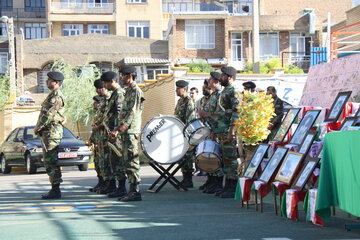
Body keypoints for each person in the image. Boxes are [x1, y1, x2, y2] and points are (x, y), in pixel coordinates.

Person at [34, 71, 65, 199]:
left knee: (51, 161)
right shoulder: (52, 95)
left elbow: (48, 114)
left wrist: (38, 127)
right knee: (49, 161)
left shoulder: (56, 96)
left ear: (56, 82)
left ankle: (56, 189)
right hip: (48, 132)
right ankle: (54, 188)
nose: (47, 81)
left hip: (52, 132)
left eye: (49, 80)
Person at [115, 65, 145, 202]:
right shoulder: (128, 91)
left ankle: (135, 191)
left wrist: (119, 129)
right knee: (126, 161)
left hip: (130, 131)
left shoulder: (135, 91)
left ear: (129, 76)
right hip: (126, 131)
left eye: (122, 75)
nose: (120, 78)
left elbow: (132, 113)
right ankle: (131, 190)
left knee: (132, 161)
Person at [214, 66, 242, 198]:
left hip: (228, 130)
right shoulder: (226, 90)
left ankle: (233, 186)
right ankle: (227, 185)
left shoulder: (234, 90)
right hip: (222, 130)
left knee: (231, 159)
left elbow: (237, 112)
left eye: (224, 75)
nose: (221, 78)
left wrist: (232, 130)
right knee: (225, 158)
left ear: (230, 77)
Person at [197, 71, 224, 194]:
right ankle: (212, 181)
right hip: (211, 129)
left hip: (218, 130)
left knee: (217, 157)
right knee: (210, 157)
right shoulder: (213, 95)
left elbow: (219, 115)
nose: (208, 82)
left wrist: (205, 114)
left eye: (210, 80)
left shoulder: (220, 95)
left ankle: (217, 183)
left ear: (216, 82)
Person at [100, 71, 125, 196]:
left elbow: (121, 114)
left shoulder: (119, 94)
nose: (104, 85)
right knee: (113, 161)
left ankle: (121, 188)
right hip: (111, 133)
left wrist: (116, 130)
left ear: (112, 81)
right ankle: (117, 187)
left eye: (105, 83)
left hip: (116, 134)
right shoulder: (114, 94)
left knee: (118, 160)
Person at [88, 79, 110, 193]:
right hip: (98, 139)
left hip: (105, 137)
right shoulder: (99, 108)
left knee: (105, 162)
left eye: (100, 88)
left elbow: (108, 119)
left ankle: (108, 184)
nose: (98, 91)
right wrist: (92, 138)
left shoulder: (108, 100)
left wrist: (100, 126)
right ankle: (101, 182)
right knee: (98, 162)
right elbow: (95, 125)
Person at [175, 80, 196, 188]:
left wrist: (186, 134)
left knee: (187, 157)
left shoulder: (189, 101)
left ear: (185, 89)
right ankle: (184, 177)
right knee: (182, 157)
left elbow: (190, 120)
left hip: (186, 134)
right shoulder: (180, 101)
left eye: (178, 88)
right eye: (176, 88)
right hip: (179, 133)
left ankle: (188, 179)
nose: (176, 90)